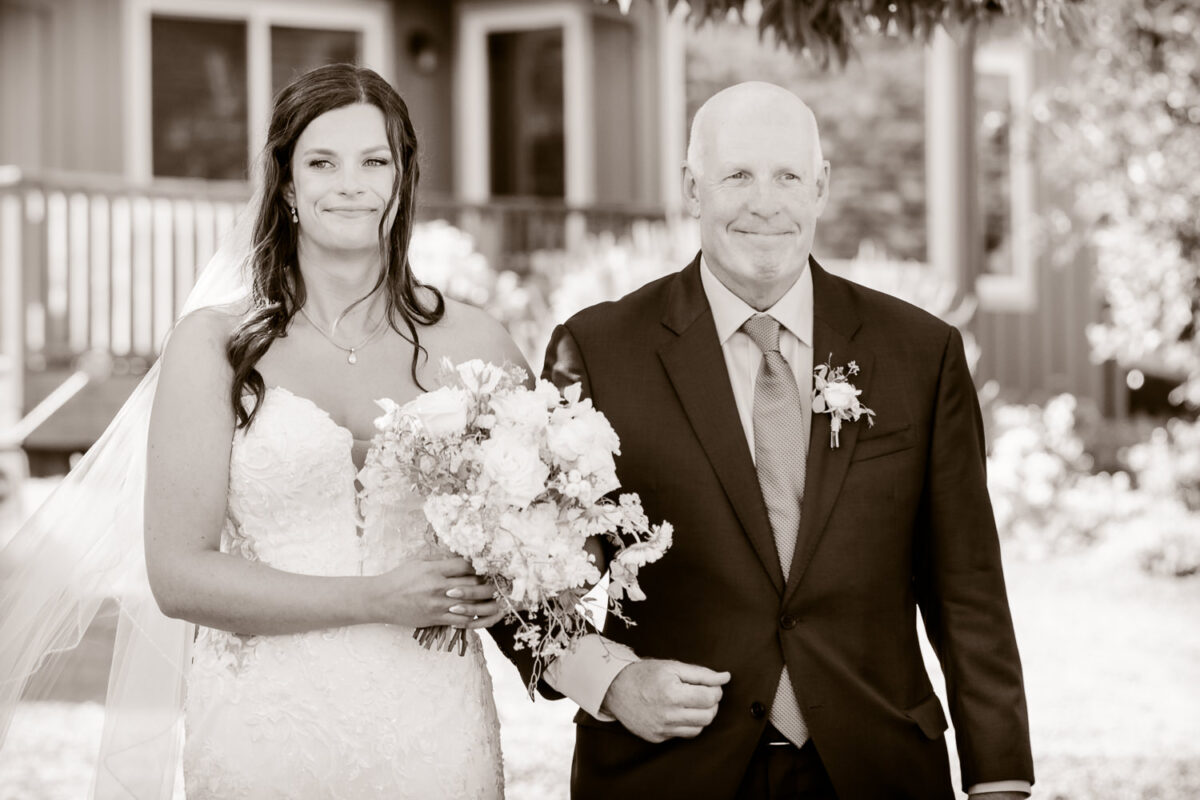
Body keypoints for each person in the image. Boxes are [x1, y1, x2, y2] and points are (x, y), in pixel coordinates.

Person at [1, 64, 530, 799]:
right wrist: (378, 598)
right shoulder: (213, 346)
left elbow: (543, 541)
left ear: (404, 178)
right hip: (265, 730)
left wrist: (505, 585)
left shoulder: (478, 344)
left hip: (435, 725)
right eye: (323, 163)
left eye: (375, 161)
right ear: (285, 185)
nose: (351, 185)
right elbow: (177, 575)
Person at [493, 82, 1034, 799]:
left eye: (787, 177)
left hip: (878, 771)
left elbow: (968, 589)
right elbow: (520, 572)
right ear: (692, 188)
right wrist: (612, 682)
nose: (765, 203)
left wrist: (1000, 779)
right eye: (738, 176)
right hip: (669, 774)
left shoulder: (920, 354)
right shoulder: (597, 352)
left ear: (821, 186)